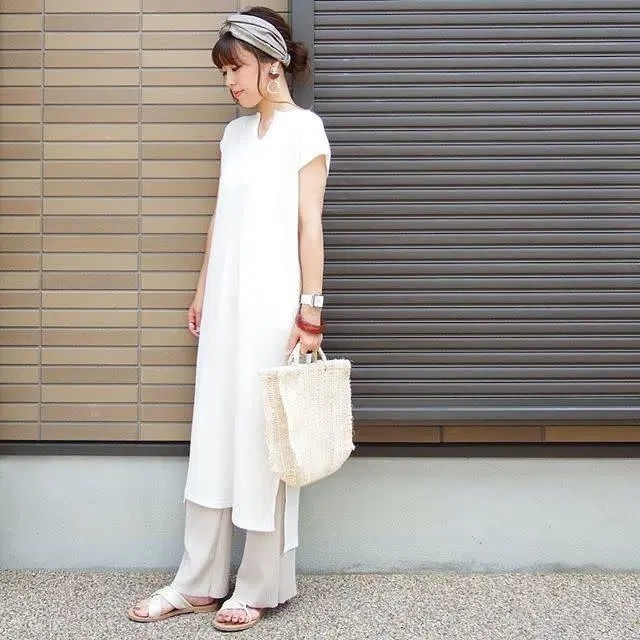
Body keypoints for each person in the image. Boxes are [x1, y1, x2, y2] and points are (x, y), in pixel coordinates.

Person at [126, 5, 331, 633]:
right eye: (223, 73)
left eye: (236, 68)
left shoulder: (306, 132)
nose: (230, 82)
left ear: (271, 64)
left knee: (266, 439)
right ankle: (198, 583)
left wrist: (311, 311)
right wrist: (201, 291)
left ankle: (261, 587)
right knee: (214, 431)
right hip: (224, 303)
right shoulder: (233, 136)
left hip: (274, 307)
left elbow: (310, 225)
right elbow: (220, 218)